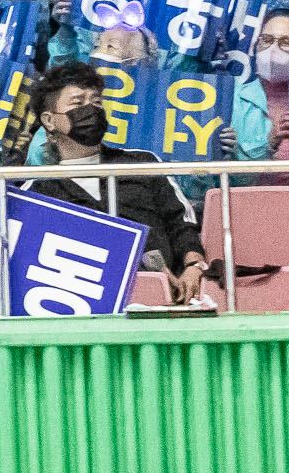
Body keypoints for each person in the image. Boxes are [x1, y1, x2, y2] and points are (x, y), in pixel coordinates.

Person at [19, 62, 208, 304]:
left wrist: (194, 266)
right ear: (50, 120)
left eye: (96, 102)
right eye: (77, 103)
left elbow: (182, 225)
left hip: (166, 301)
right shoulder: (39, 191)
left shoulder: (143, 163)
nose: (91, 109)